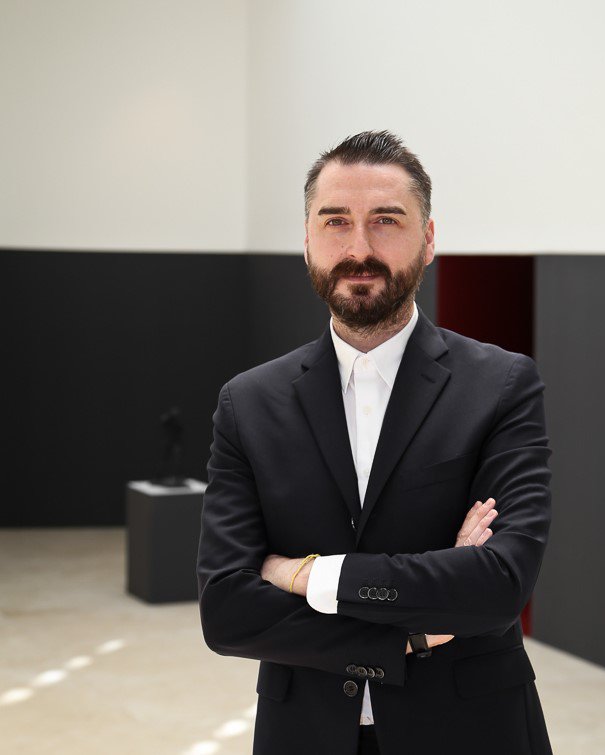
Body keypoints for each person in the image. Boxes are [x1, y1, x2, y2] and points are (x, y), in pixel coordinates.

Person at [197, 130, 553, 755]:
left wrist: (305, 574)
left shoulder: (501, 385)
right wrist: (405, 635)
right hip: (303, 735)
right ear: (307, 238)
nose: (359, 248)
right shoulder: (247, 403)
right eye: (336, 221)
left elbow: (499, 584)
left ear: (429, 238)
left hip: (471, 732)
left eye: (386, 220)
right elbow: (227, 611)